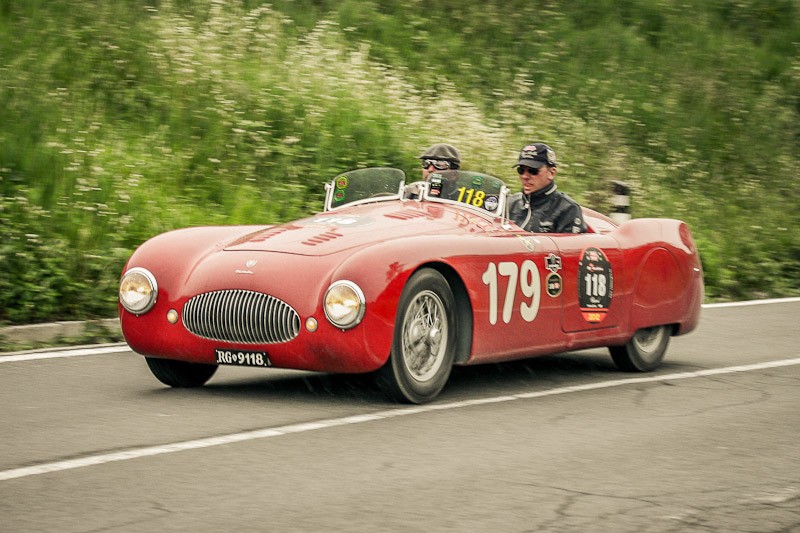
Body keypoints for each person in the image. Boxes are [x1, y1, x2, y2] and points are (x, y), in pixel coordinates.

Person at [507, 143, 587, 234]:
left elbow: (571, 247)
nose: (525, 176)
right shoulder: (510, 204)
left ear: (551, 173)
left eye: (533, 171)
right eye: (521, 170)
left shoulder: (568, 209)